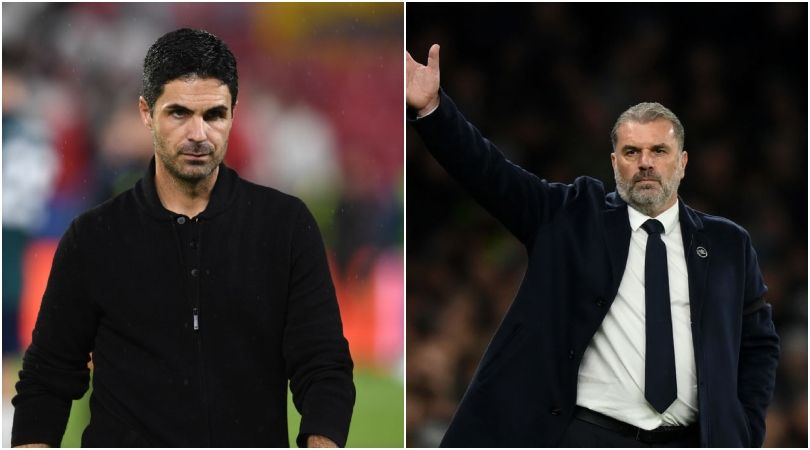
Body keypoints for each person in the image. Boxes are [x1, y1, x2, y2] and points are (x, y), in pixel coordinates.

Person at [406, 44, 779, 447]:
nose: (646, 163)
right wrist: (433, 110)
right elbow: (490, 174)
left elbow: (758, 346)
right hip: (588, 434)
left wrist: (744, 432)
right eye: (631, 152)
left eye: (659, 151)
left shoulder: (728, 244)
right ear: (614, 161)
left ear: (683, 162)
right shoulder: (571, 216)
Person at [12, 28, 355, 448]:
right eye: (179, 113)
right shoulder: (93, 237)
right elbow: (47, 378)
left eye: (214, 114)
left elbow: (323, 365)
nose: (198, 133)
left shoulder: (285, 226)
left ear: (233, 113)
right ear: (145, 113)